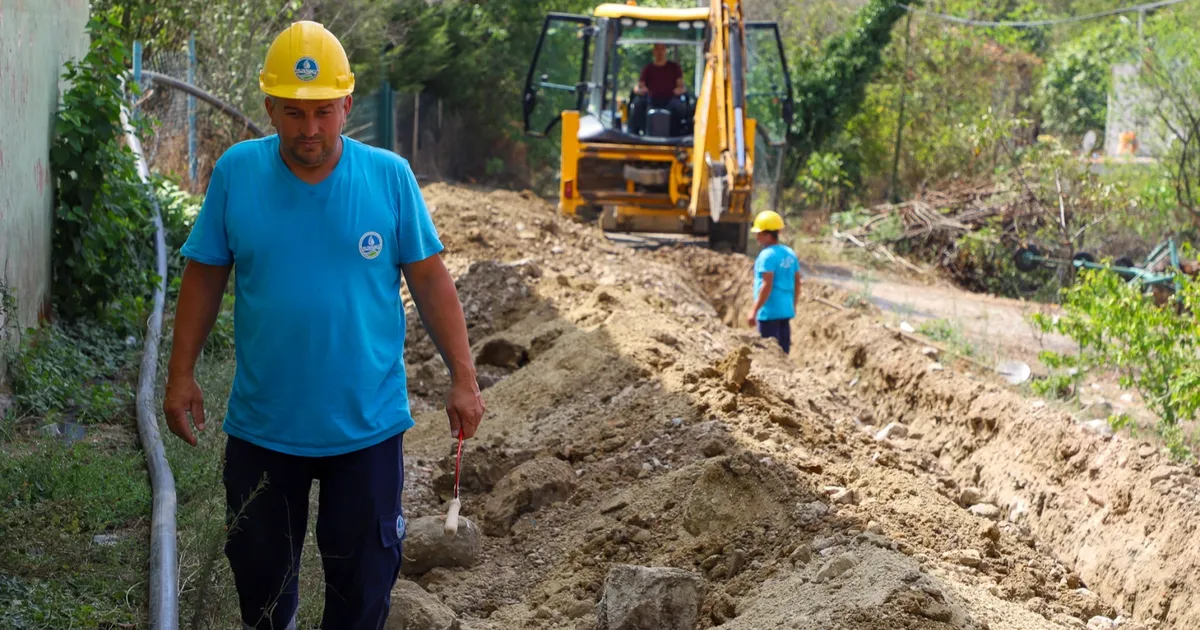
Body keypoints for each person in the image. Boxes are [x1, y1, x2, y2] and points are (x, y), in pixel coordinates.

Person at [161, 21, 485, 630]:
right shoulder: (237, 174)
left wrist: (463, 377)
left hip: (366, 430)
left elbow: (432, 282)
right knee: (261, 589)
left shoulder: (389, 177)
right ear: (269, 108)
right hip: (264, 428)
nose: (309, 130)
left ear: (347, 105)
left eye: (322, 113)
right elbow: (203, 276)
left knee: (361, 594)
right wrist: (181, 375)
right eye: (293, 114)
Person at [746, 210, 801, 354]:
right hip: (785, 311)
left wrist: (754, 310)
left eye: (759, 233)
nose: (756, 237)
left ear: (767, 234)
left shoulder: (767, 256)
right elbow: (797, 282)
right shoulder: (789, 253)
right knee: (783, 353)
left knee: (769, 355)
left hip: (769, 313)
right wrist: (793, 305)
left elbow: (766, 285)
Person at [629, 43, 688, 136]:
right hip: (651, 100)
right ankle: (635, 134)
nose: (659, 52)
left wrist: (679, 90)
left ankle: (677, 134)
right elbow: (640, 86)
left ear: (665, 51)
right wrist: (641, 90)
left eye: (662, 49)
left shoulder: (674, 67)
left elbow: (680, 86)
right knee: (638, 105)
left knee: (679, 107)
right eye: (657, 49)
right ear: (654, 52)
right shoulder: (648, 68)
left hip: (670, 99)